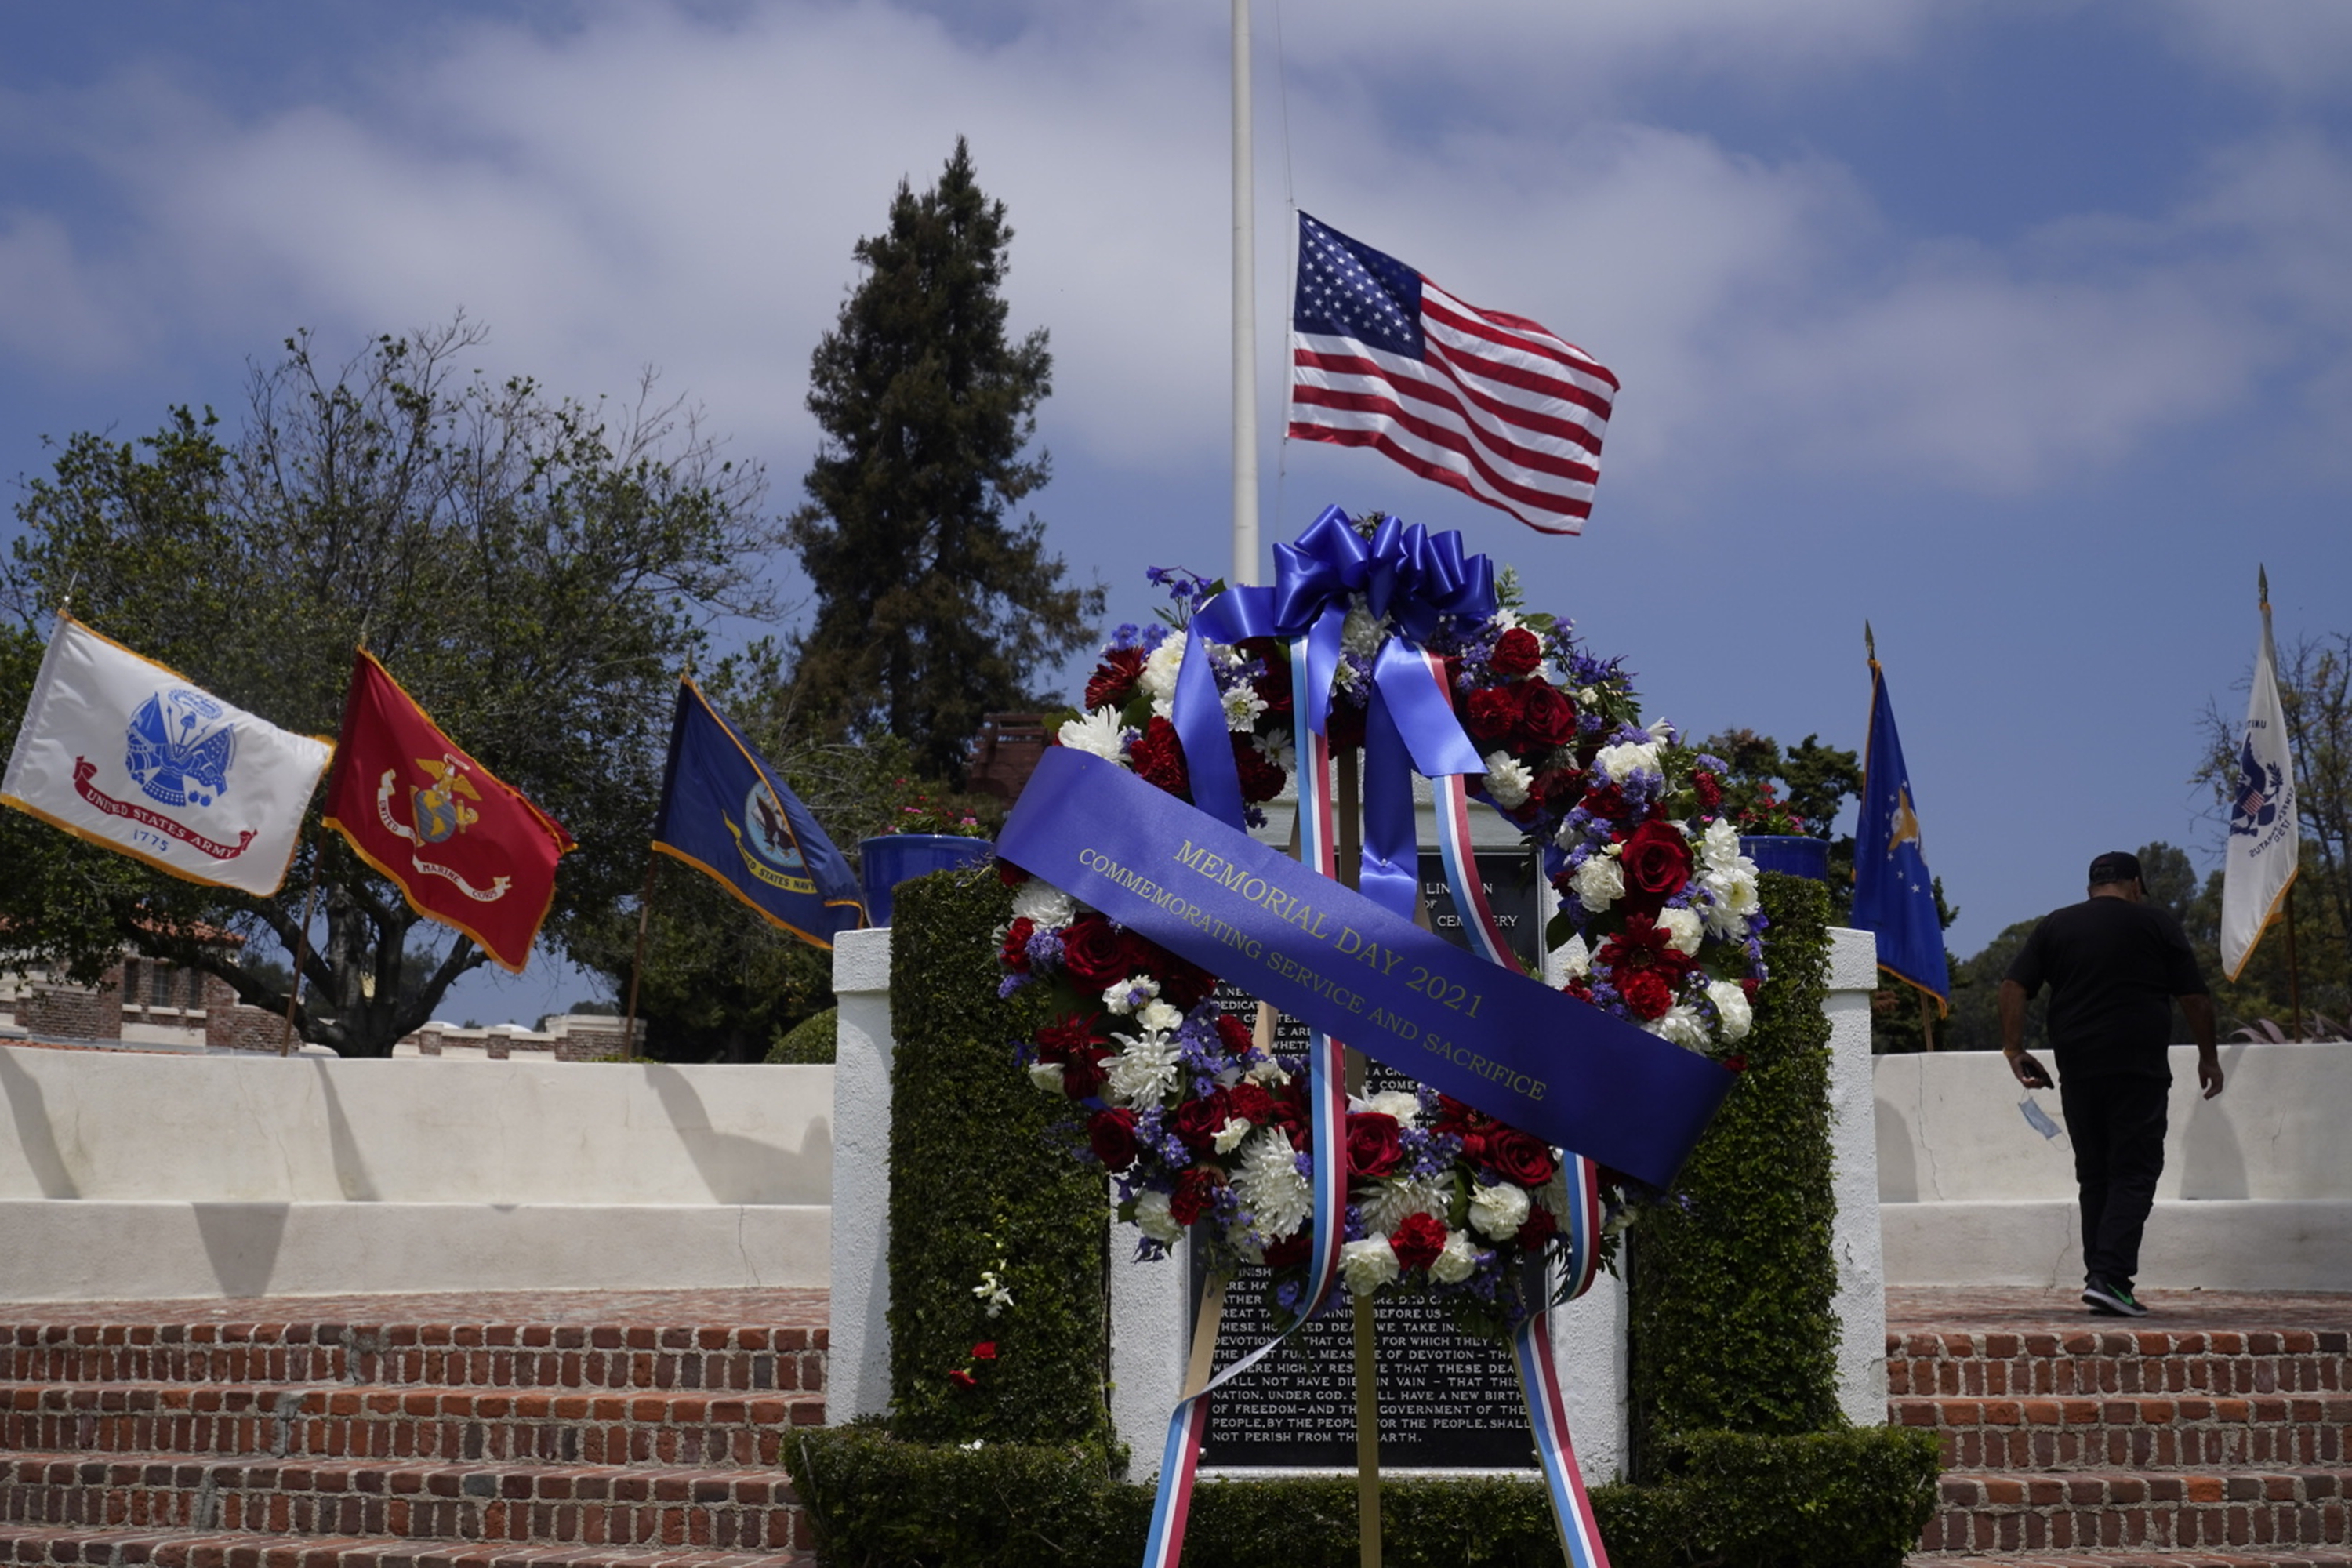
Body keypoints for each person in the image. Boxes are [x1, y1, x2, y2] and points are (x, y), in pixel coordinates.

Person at [2000, 850, 2223, 1318]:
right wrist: (2208, 1058)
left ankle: (2101, 1280)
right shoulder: (2156, 924)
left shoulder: (2055, 925)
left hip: (2078, 1070)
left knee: (2095, 1174)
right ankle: (2111, 1279)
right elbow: (2195, 999)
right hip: (2137, 1069)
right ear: (2136, 886)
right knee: (2135, 1172)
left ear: (2090, 889)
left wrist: (2014, 1049)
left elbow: (2013, 986)